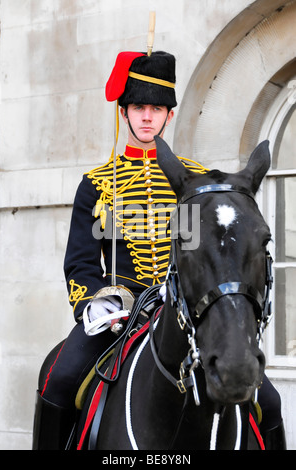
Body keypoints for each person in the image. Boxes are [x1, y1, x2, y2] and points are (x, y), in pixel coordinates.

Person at [32, 50, 286, 450]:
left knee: (267, 401)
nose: (147, 116)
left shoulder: (195, 183)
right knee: (60, 379)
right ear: (124, 112)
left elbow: (212, 255)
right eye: (138, 107)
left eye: (157, 108)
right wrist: (94, 304)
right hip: (120, 315)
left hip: (184, 312)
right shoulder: (98, 184)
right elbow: (80, 262)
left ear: (169, 115)